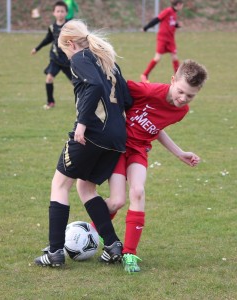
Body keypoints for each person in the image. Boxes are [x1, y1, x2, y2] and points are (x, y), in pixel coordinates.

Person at [34, 19, 132, 267]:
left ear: (68, 43)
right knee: (86, 189)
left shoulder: (79, 58)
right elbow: (127, 99)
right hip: (117, 138)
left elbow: (95, 85)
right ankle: (112, 245)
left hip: (93, 134)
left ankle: (55, 252)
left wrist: (82, 122)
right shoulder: (108, 60)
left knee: (59, 185)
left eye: (63, 49)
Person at [106, 59, 208, 273]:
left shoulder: (181, 111)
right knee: (116, 202)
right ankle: (90, 233)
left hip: (139, 150)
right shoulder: (150, 91)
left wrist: (180, 153)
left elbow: (156, 128)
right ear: (173, 80)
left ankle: (130, 253)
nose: (183, 99)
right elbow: (118, 87)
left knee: (138, 191)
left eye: (190, 96)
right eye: (180, 91)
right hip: (117, 147)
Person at [31, 1, 72, 109]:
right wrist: (37, 48)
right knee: (49, 78)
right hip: (55, 59)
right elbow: (47, 39)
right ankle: (50, 102)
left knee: (76, 83)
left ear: (66, 13)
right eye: (58, 11)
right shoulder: (52, 27)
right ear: (54, 13)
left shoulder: (70, 26)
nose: (60, 13)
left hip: (68, 60)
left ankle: (84, 104)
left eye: (62, 11)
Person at [140, 0, 184, 83]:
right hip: (163, 38)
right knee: (157, 57)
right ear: (178, 4)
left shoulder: (174, 13)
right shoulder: (168, 11)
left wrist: (177, 25)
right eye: (182, 5)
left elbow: (170, 24)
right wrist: (146, 27)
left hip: (170, 39)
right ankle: (144, 75)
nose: (182, 7)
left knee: (174, 57)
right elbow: (157, 19)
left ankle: (178, 78)